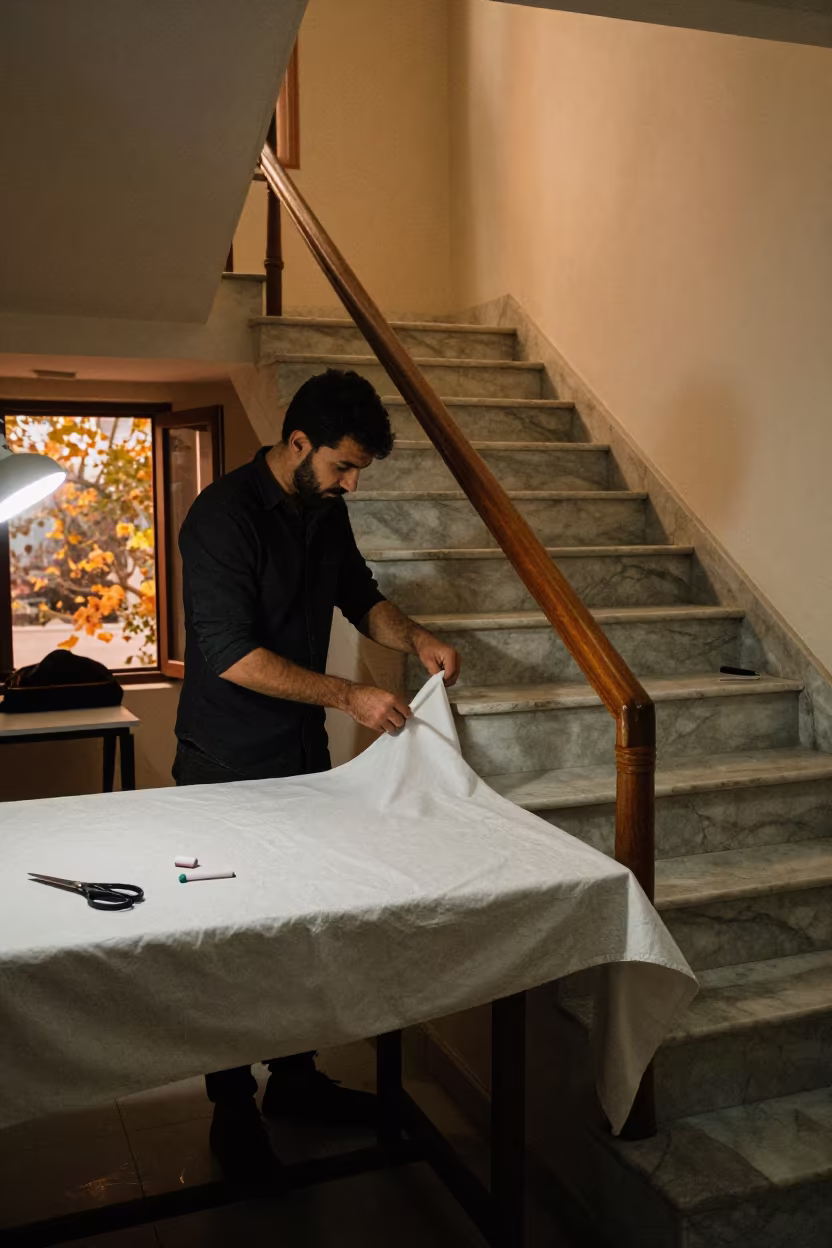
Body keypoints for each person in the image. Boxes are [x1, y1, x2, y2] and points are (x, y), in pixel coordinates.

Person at [173, 368, 460, 1181]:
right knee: (230, 939)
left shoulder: (325, 511)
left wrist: (417, 639)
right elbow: (230, 655)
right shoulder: (220, 519)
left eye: (358, 470)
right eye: (342, 466)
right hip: (225, 763)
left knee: (301, 925)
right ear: (297, 443)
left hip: (302, 757)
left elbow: (360, 596)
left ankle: (294, 1080)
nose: (351, 484)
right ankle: (232, 1106)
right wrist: (350, 696)